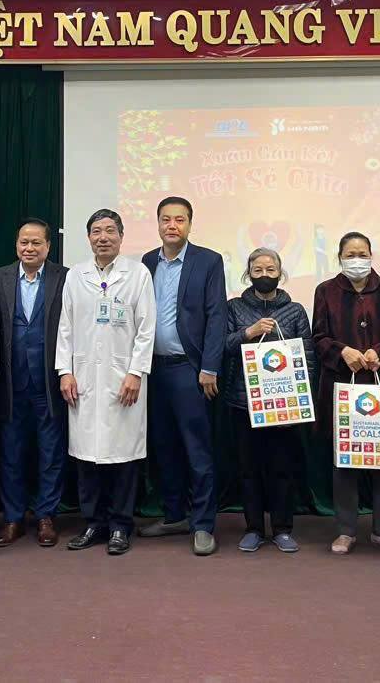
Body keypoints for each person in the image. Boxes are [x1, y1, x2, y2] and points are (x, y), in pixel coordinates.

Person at [57, 209, 156, 556]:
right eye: (96, 231)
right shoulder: (76, 275)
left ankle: (120, 526)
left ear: (121, 236)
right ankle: (93, 523)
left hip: (123, 379)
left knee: (123, 457)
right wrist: (65, 371)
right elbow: (65, 327)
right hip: (83, 379)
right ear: (88, 238)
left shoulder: (138, 274)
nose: (103, 237)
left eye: (110, 231)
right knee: (86, 456)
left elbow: (146, 328)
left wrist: (136, 372)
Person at [312, 231, 380, 556]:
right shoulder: (325, 291)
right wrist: (342, 352)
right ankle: (345, 531)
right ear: (339, 258)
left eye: (362, 254)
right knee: (344, 462)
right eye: (350, 255)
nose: (356, 260)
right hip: (342, 389)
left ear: (371, 256)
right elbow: (318, 337)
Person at [139, 196, 227, 556]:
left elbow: (217, 316)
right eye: (166, 219)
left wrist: (209, 367)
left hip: (189, 369)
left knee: (197, 450)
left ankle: (203, 524)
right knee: (163, 447)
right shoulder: (147, 262)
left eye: (179, 219)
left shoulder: (208, 261)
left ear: (190, 224)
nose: (172, 225)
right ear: (158, 223)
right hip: (152, 369)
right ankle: (174, 515)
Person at [223, 248, 312, 552]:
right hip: (244, 401)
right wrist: (248, 332)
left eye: (270, 270)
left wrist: (304, 397)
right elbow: (224, 345)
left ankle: (283, 529)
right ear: (248, 274)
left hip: (285, 404)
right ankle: (253, 529)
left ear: (280, 272)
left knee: (281, 467)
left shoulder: (295, 310)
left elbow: (308, 355)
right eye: (257, 270)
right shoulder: (234, 308)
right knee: (248, 468)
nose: (264, 275)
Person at [0, 219, 68, 548]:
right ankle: (13, 517)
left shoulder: (64, 277)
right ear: (16, 244)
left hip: (49, 382)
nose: (29, 248)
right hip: (11, 381)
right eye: (24, 242)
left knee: (51, 452)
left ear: (48, 246)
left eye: (36, 242)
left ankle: (46, 516)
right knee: (11, 453)